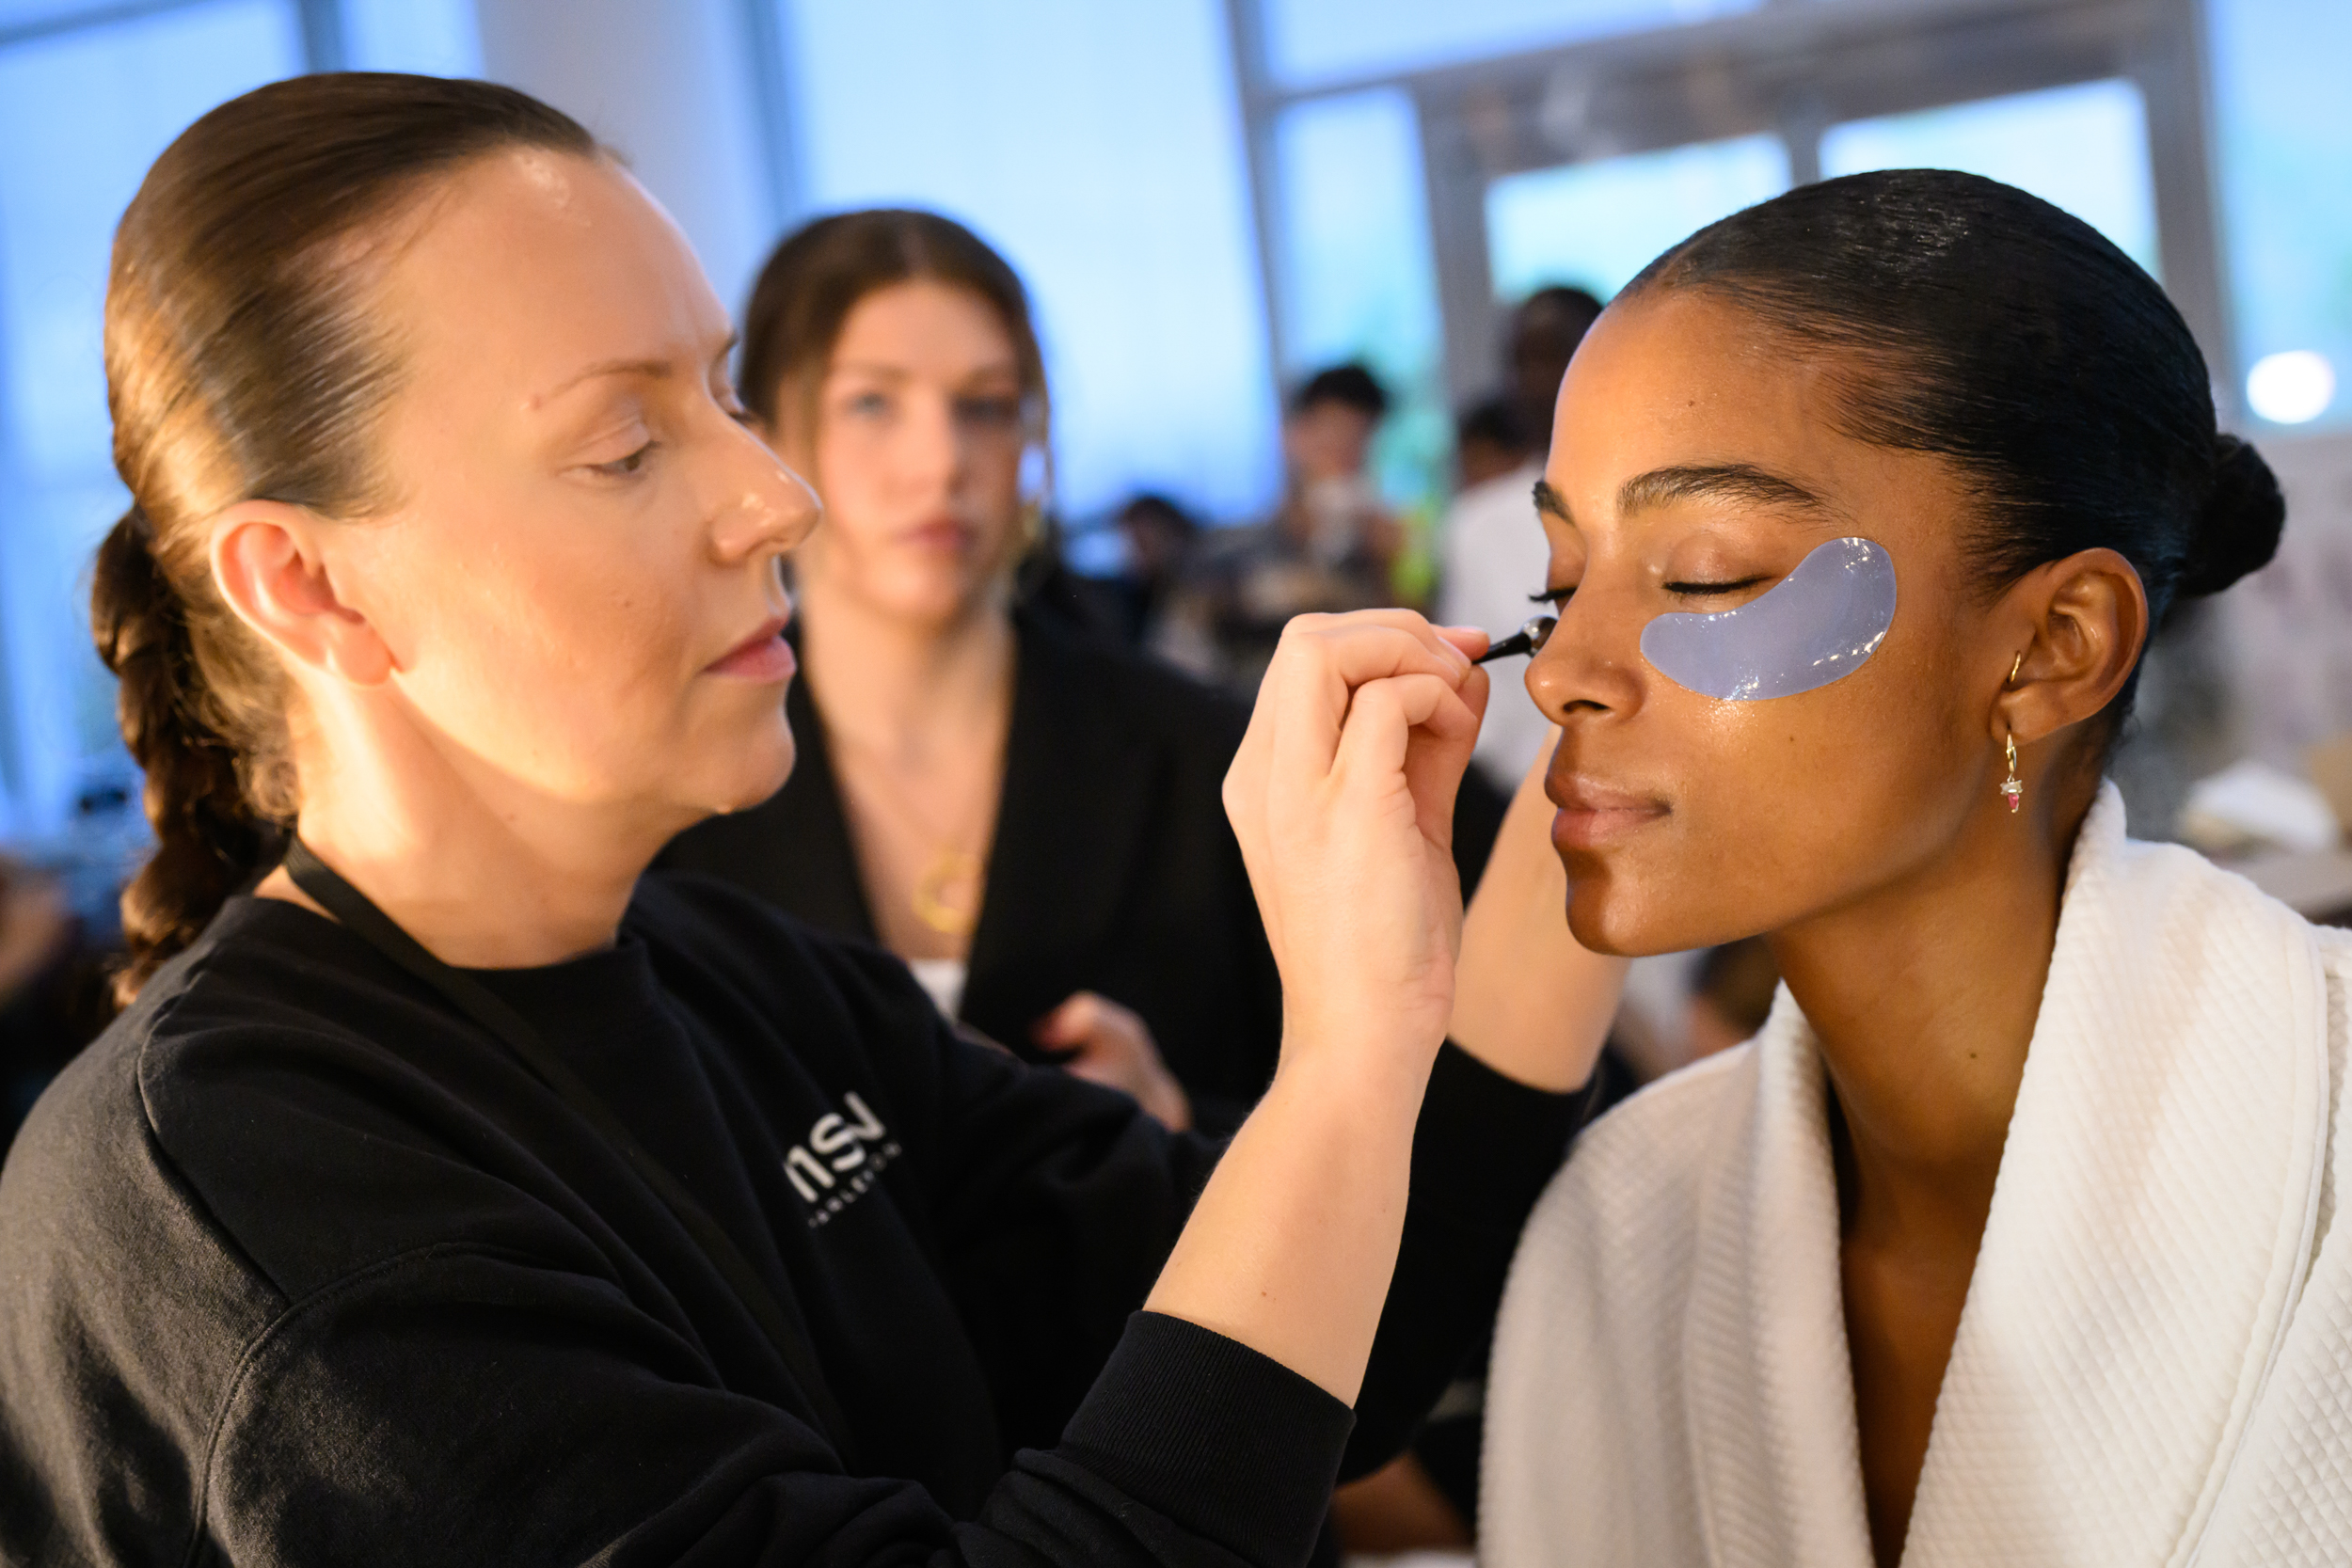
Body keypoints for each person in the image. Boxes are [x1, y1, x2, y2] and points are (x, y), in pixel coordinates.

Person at [0, 73, 1625, 1567]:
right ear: (314, 583)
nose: (778, 497)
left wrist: (1594, 761)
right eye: (625, 444)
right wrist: (1339, 1061)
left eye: (718, 396)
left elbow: (1355, 1333)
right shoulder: (254, 1200)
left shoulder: (739, 979)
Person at [1481, 170, 2349, 1566]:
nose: (1567, 673)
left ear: (2054, 644)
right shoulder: (1625, 1224)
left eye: (1703, 573)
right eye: (1560, 581)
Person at [656, 213, 1267, 1133]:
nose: (940, 463)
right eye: (871, 403)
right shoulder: (670, 785)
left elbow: (1379, 1121)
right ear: (767, 428)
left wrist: (1176, 1122)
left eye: (984, 405)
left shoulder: (1207, 758)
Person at [1438, 287, 1604, 788]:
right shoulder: (1477, 524)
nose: (1535, 382)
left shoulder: (1676, 506)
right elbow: (1471, 685)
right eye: (1519, 363)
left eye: (1558, 356)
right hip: (1525, 799)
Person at [1178, 363, 1404, 694]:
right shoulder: (1226, 554)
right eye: (1332, 443)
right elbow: (1180, 667)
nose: (1343, 462)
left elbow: (1404, 658)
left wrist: (1389, 568)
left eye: (1359, 448)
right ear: (1291, 438)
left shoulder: (1372, 558)